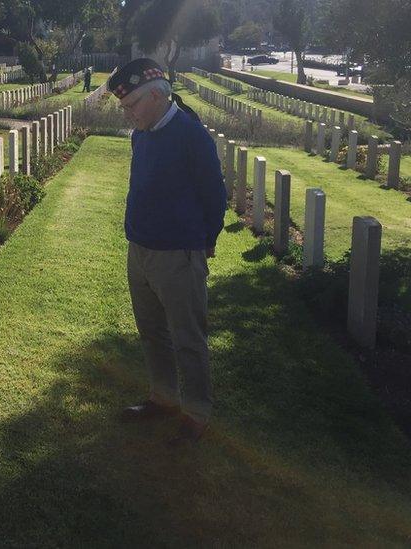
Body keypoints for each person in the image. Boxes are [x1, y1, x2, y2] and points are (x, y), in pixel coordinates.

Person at [107, 58, 227, 446]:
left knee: (188, 337)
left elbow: (214, 195)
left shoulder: (191, 135)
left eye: (132, 106)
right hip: (140, 249)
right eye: (124, 108)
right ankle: (163, 396)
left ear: (158, 95)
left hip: (178, 255)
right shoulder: (141, 134)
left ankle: (196, 411)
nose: (128, 114)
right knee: (152, 333)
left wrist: (205, 240)